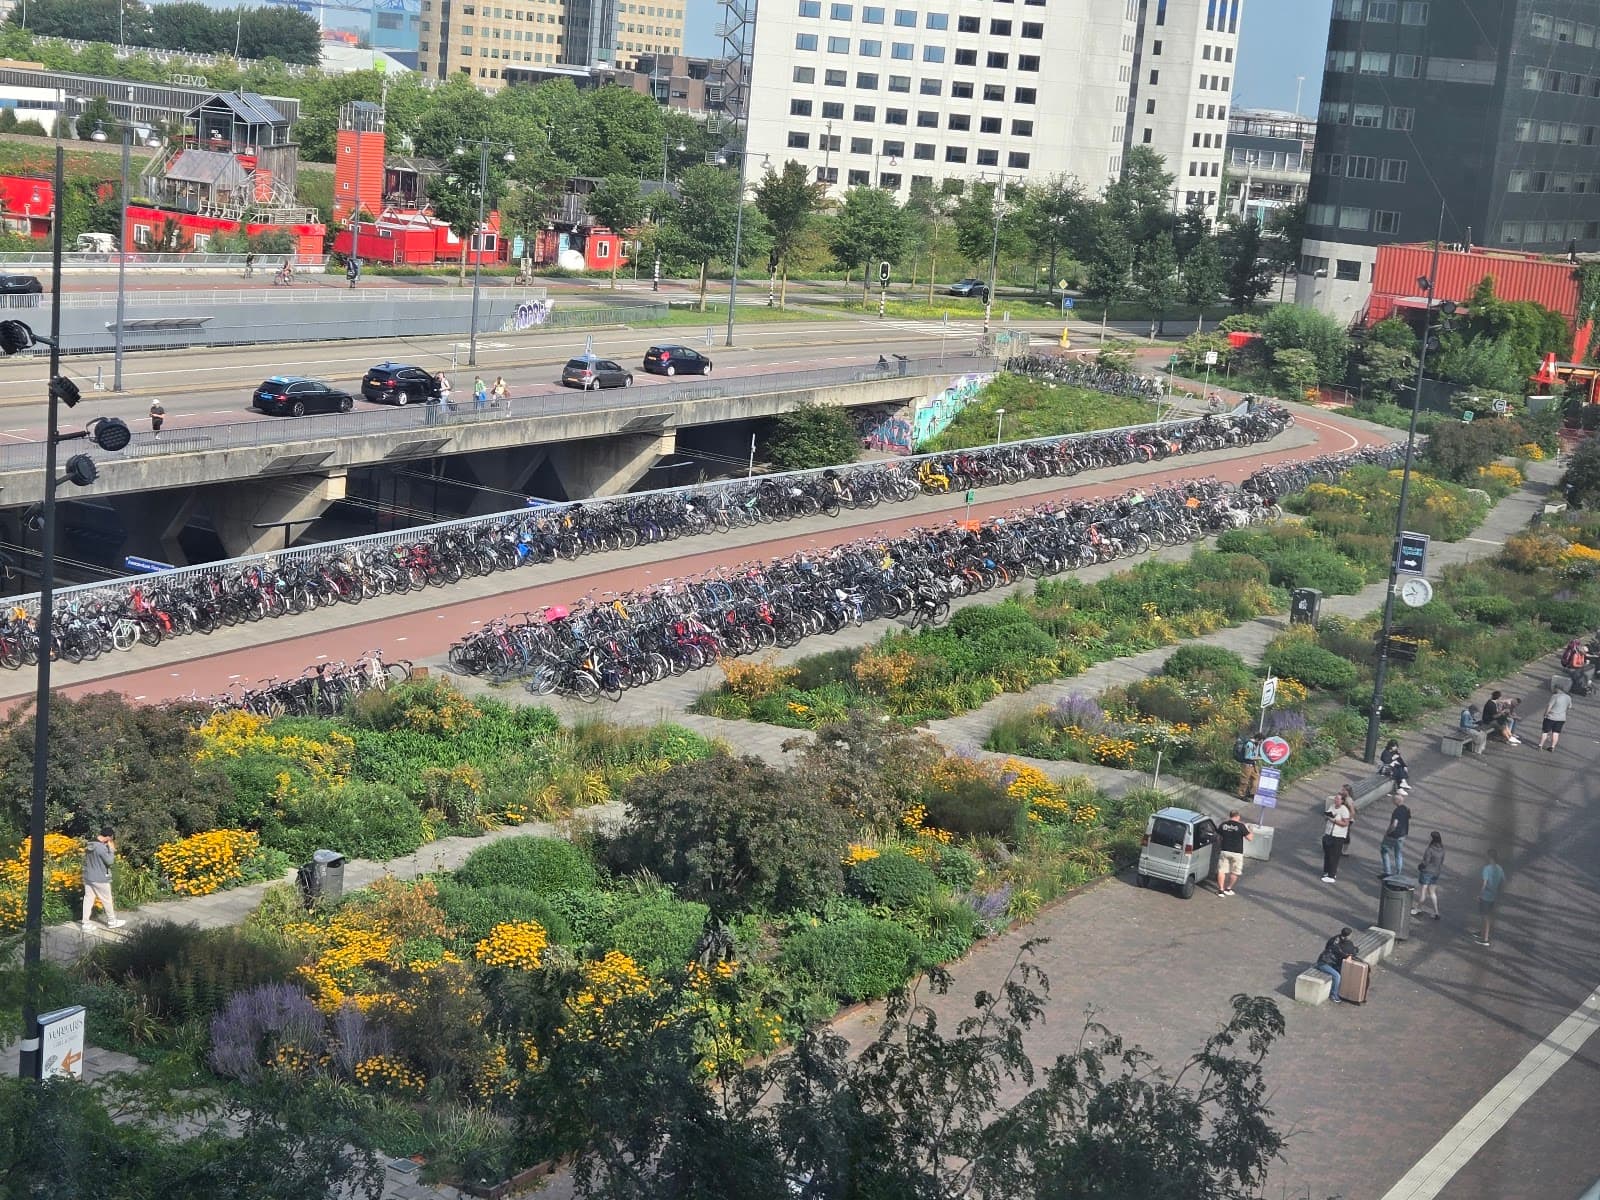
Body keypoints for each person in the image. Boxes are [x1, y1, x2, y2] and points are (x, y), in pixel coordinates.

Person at [81, 829, 126, 931]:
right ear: (109, 837)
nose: (111, 840)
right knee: (107, 900)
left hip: (88, 876)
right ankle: (112, 921)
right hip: (100, 878)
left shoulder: (90, 844)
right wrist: (111, 849)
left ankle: (85, 923)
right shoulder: (101, 848)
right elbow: (110, 862)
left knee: (88, 899)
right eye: (111, 838)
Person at [1314, 926, 1360, 1004]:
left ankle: (1340, 991)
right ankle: (1333, 995)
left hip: (1329, 961)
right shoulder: (1339, 946)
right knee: (1337, 976)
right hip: (1324, 963)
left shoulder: (1335, 939)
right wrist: (1352, 953)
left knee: (1342, 971)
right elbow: (1347, 953)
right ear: (1347, 936)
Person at [1215, 809, 1253, 896]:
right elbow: (1250, 838)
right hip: (1237, 852)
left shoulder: (1223, 824)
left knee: (1221, 871)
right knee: (1235, 871)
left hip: (1225, 850)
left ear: (1230, 816)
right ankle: (1228, 889)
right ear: (1237, 816)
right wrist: (1250, 829)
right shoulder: (1241, 826)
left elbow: (1217, 836)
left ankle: (1221, 890)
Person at [1321, 785, 1353, 882]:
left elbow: (1345, 823)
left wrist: (1334, 820)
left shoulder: (1344, 810)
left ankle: (1332, 875)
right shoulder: (1332, 806)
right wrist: (1327, 816)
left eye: (1338, 799)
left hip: (1338, 835)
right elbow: (1328, 814)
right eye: (1335, 798)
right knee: (1327, 853)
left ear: (1342, 801)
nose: (1335, 800)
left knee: (1334, 855)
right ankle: (1326, 871)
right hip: (1329, 833)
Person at [1474, 849, 1505, 946]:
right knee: (1486, 915)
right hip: (1493, 896)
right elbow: (1503, 881)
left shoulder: (1487, 869)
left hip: (1486, 896)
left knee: (1485, 917)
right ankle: (1482, 932)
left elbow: (1484, 883)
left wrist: (1480, 894)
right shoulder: (1500, 868)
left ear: (1490, 858)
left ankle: (1485, 939)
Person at [1412, 832, 1445, 921]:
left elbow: (1425, 862)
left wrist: (1420, 867)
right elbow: (1441, 862)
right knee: (1433, 893)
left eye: (1429, 837)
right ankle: (1436, 912)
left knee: (1423, 893)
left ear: (1432, 839)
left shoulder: (1430, 849)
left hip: (1427, 872)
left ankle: (1418, 909)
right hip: (1436, 873)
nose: (1428, 838)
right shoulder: (1442, 849)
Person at [1380, 791, 1411, 877]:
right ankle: (1398, 873)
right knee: (1398, 854)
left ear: (1396, 801)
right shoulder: (1407, 809)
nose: (1392, 802)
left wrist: (1387, 832)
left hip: (1394, 835)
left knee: (1384, 850)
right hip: (1402, 835)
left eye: (1393, 800)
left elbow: (1394, 824)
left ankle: (1387, 872)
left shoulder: (1396, 811)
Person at [1538, 686, 1572, 751]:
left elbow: (1549, 706)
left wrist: (1545, 714)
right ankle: (1552, 747)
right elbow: (1569, 707)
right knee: (1556, 733)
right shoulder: (1568, 697)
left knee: (1545, 732)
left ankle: (1540, 745)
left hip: (1551, 717)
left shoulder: (1555, 696)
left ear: (1557, 689)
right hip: (1561, 719)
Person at [1235, 732, 1262, 802]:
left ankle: (1252, 793)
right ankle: (1241, 795)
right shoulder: (1249, 744)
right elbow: (1247, 756)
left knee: (1256, 778)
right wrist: (1257, 758)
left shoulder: (1255, 744)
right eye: (1261, 741)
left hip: (1253, 765)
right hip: (1247, 765)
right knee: (1244, 780)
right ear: (1257, 739)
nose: (1261, 742)